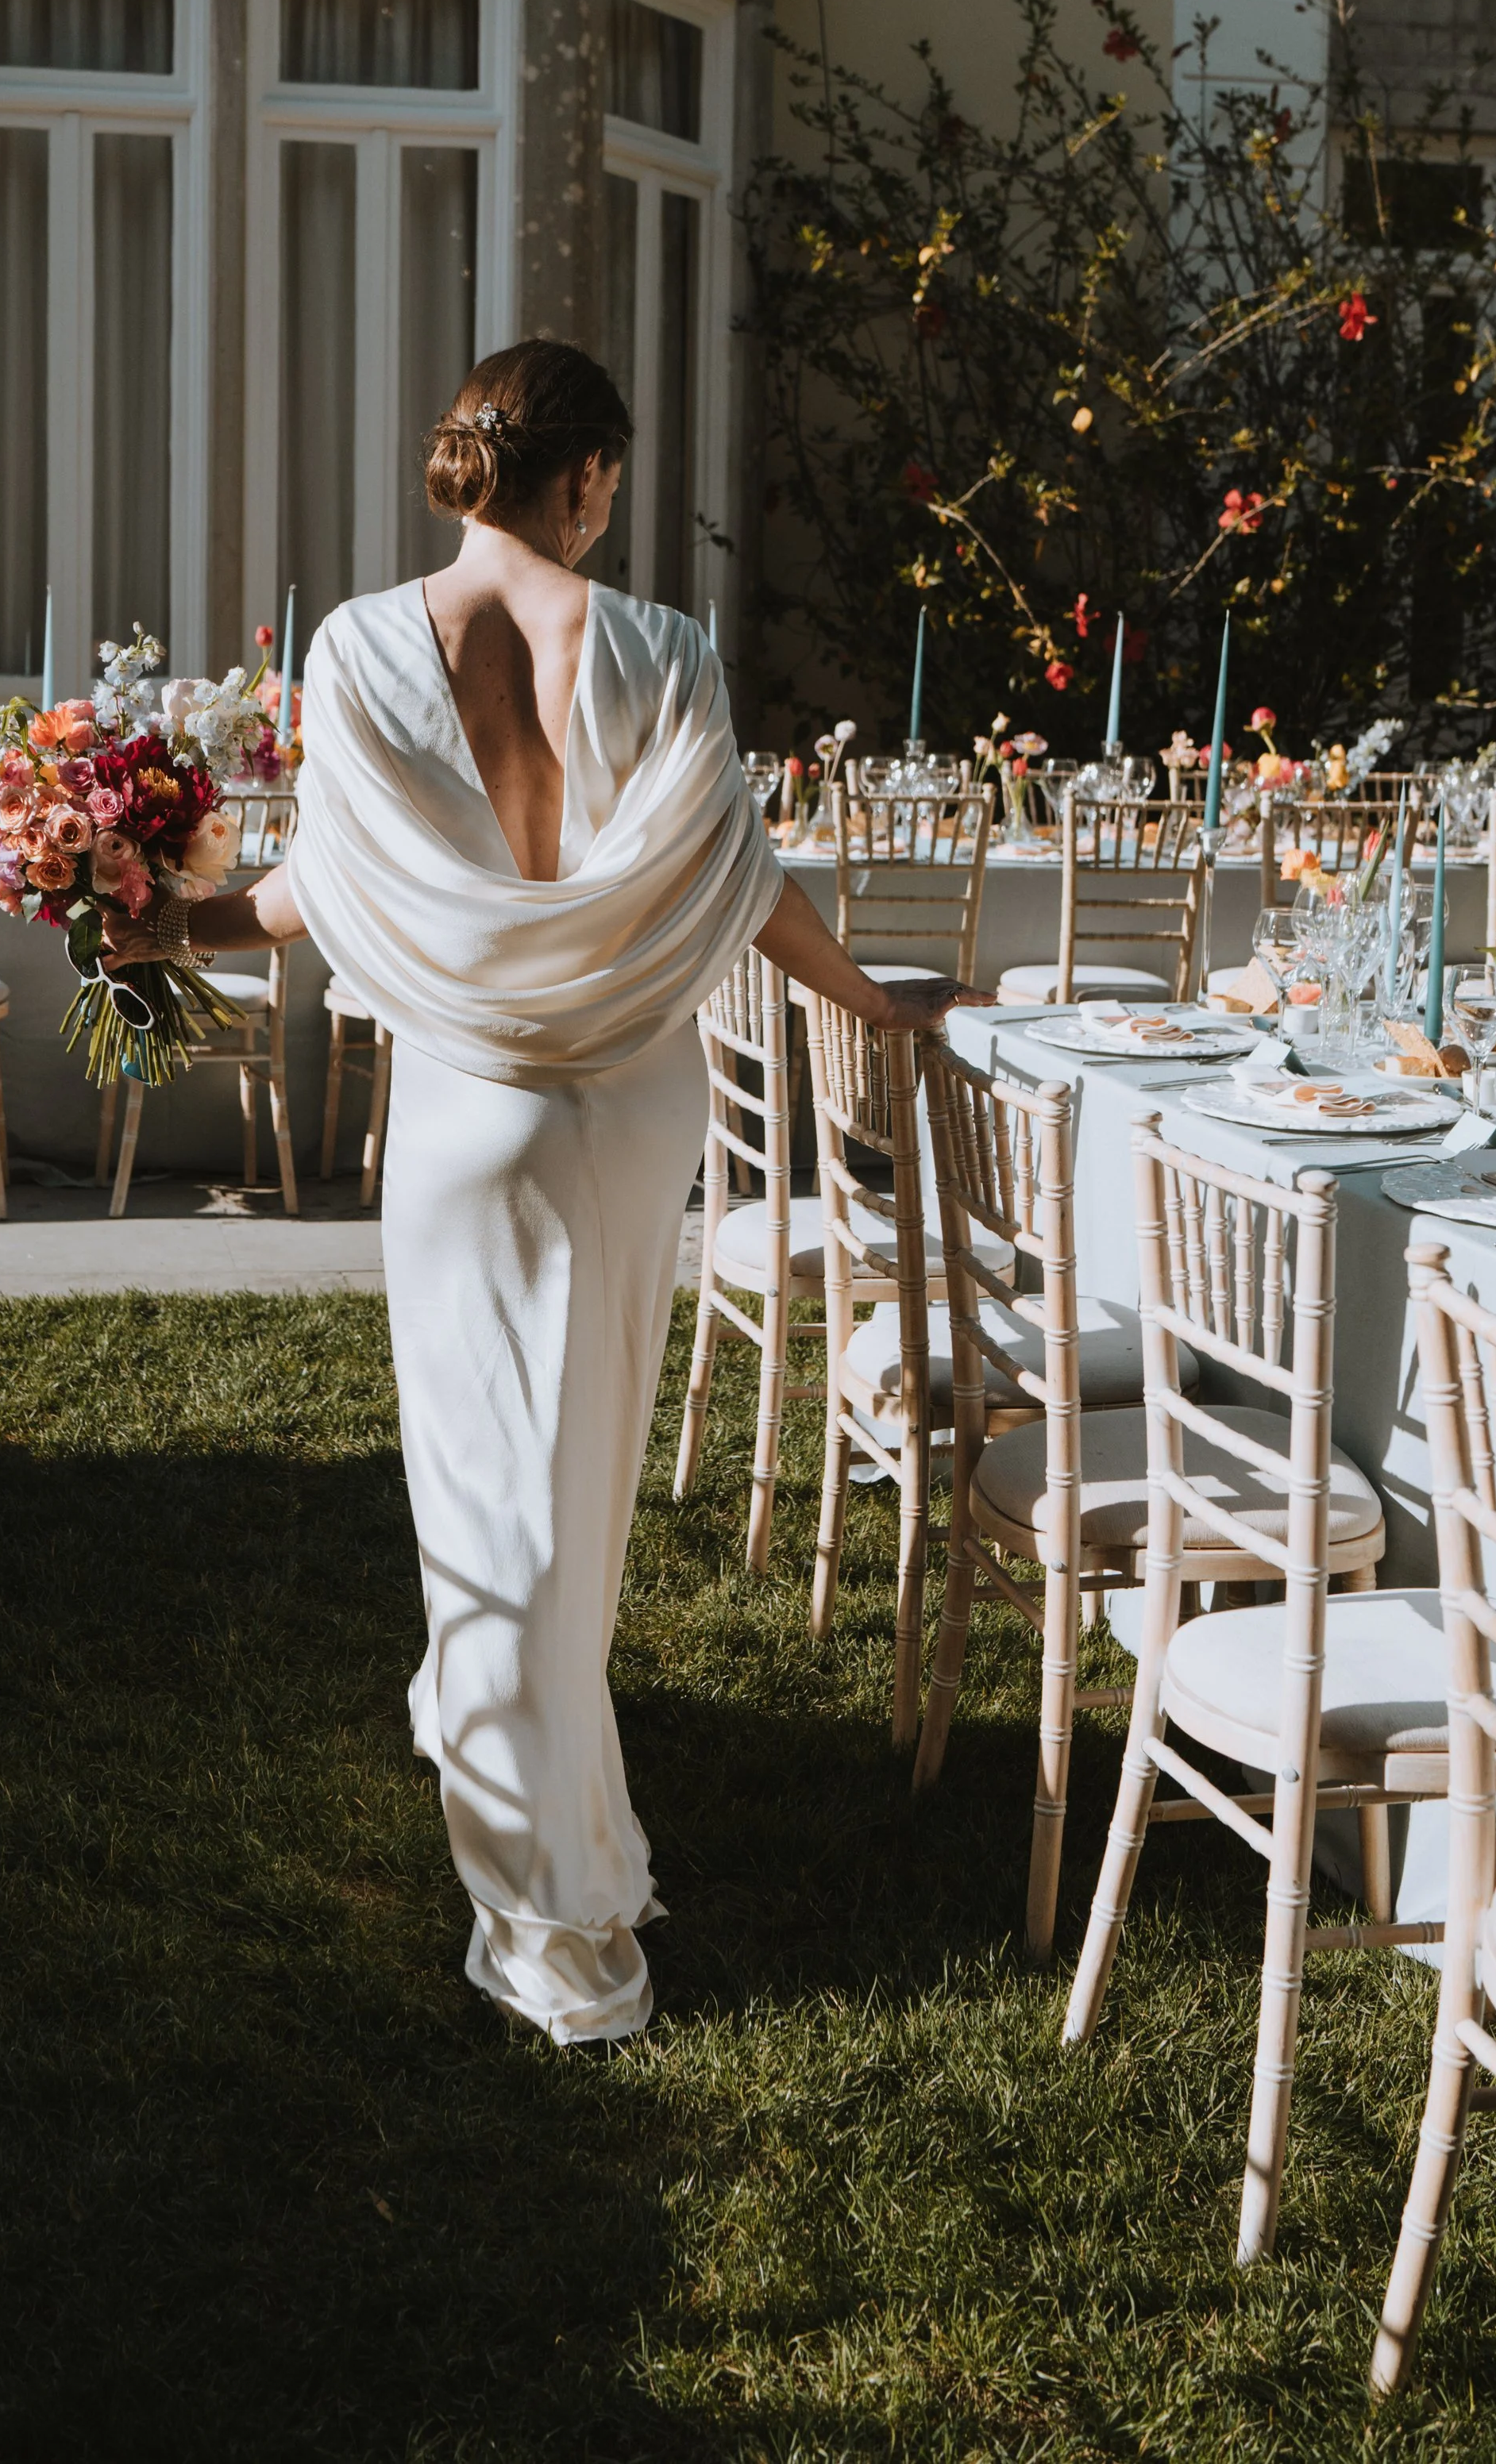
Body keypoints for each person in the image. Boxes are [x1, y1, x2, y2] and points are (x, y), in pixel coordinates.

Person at [105, 340, 987, 2046]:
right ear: (584, 478)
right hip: (627, 1118)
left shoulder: (361, 644)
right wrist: (877, 1002)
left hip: (468, 1115)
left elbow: (313, 891)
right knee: (574, 1495)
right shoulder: (660, 650)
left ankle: (556, 1922)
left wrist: (161, 922)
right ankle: (562, 1844)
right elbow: (741, 875)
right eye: (612, 483)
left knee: (486, 1512)